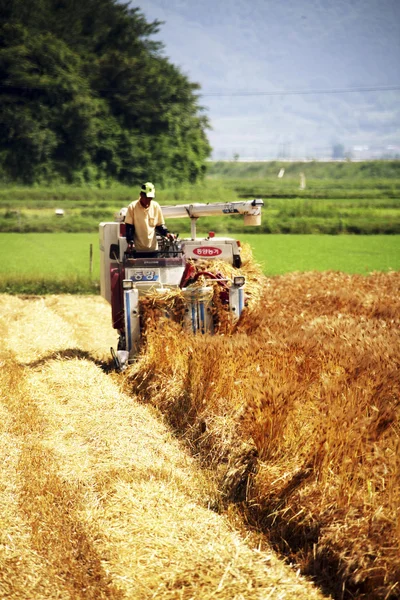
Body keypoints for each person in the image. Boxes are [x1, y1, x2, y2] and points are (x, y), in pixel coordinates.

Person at [124, 182, 175, 252]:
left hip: (153, 249)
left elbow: (160, 226)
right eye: (147, 198)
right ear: (141, 195)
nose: (148, 200)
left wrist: (168, 234)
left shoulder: (155, 206)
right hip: (137, 250)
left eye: (150, 198)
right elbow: (129, 227)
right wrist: (130, 241)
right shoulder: (132, 207)